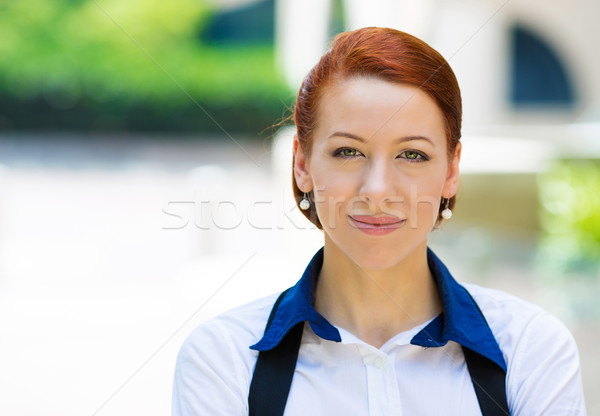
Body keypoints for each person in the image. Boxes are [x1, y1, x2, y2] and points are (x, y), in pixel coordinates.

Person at [172, 27, 586, 415]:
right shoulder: (224, 360)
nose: (377, 190)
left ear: (451, 170)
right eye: (348, 152)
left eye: (412, 155)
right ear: (302, 164)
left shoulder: (531, 351)